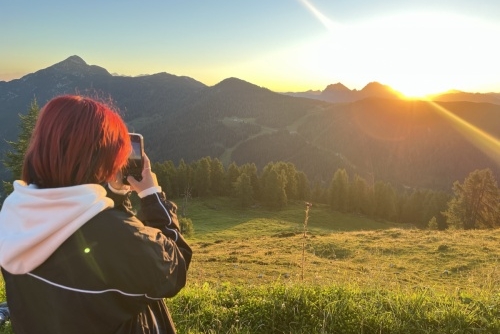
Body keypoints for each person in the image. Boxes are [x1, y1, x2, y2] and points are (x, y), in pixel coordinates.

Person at [0, 95, 192, 333]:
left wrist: (114, 195)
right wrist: (151, 195)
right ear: (99, 162)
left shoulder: (14, 212)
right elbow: (175, 265)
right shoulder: (120, 240)